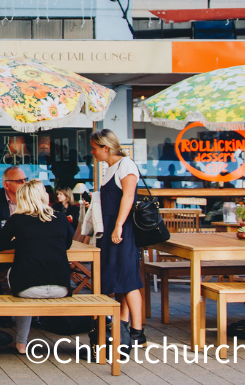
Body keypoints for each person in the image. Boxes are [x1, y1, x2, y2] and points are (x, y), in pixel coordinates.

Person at [0, 180, 73, 354]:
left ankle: (21, 343)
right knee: (28, 273)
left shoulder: (17, 219)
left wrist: (20, 242)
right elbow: (67, 244)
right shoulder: (61, 218)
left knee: (18, 273)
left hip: (28, 289)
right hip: (62, 287)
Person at [90, 128, 146, 346]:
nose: (92, 153)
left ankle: (137, 331)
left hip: (122, 230)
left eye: (95, 149)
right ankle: (122, 325)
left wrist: (119, 226)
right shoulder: (111, 167)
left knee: (128, 278)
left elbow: (129, 196)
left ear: (106, 148)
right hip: (112, 228)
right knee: (119, 278)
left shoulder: (126, 165)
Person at [0, 165, 27, 306]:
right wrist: (13, 225)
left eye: (25, 180)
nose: (24, 184)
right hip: (4, 249)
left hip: (27, 251)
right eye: (20, 181)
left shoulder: (30, 198)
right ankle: (0, 308)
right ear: (6, 185)